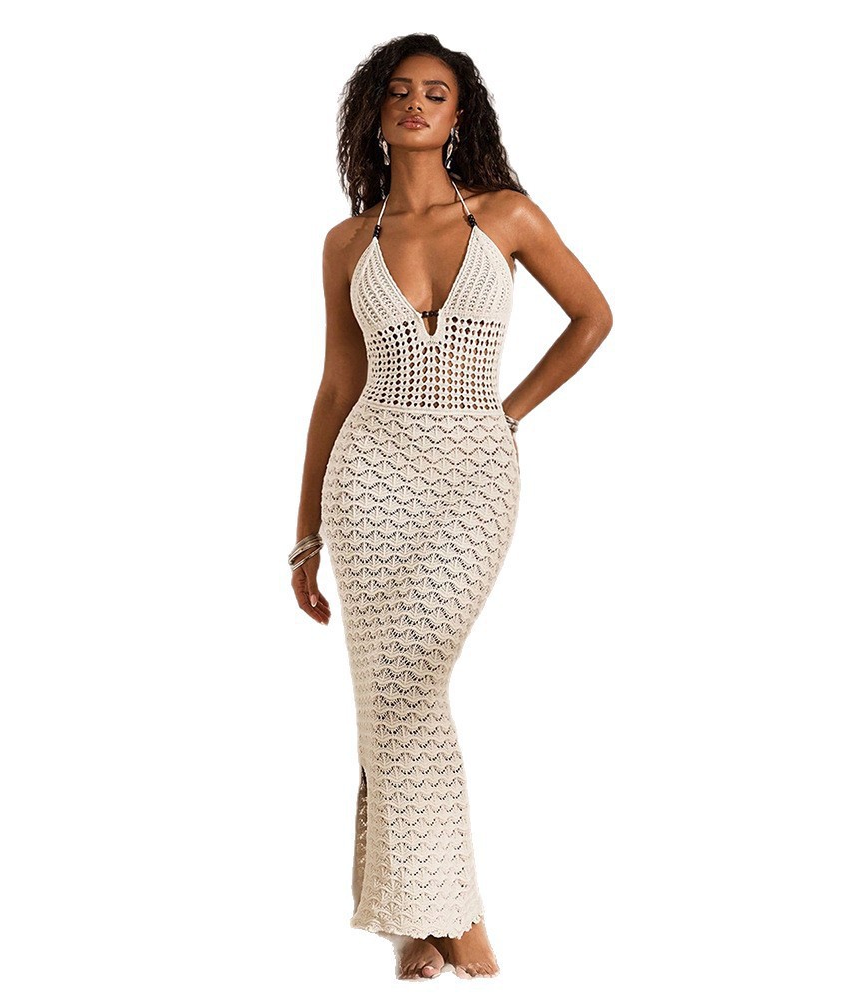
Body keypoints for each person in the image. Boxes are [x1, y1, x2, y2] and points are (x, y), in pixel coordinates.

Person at [290, 34, 613, 980]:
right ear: (377, 114)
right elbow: (336, 385)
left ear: (460, 114)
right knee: (389, 691)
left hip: (472, 477)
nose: (416, 104)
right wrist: (305, 534)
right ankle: (431, 921)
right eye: (400, 91)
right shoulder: (347, 241)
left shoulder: (506, 215)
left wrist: (506, 413)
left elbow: (593, 316)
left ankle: (435, 911)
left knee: (414, 682)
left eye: (436, 92)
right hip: (370, 478)